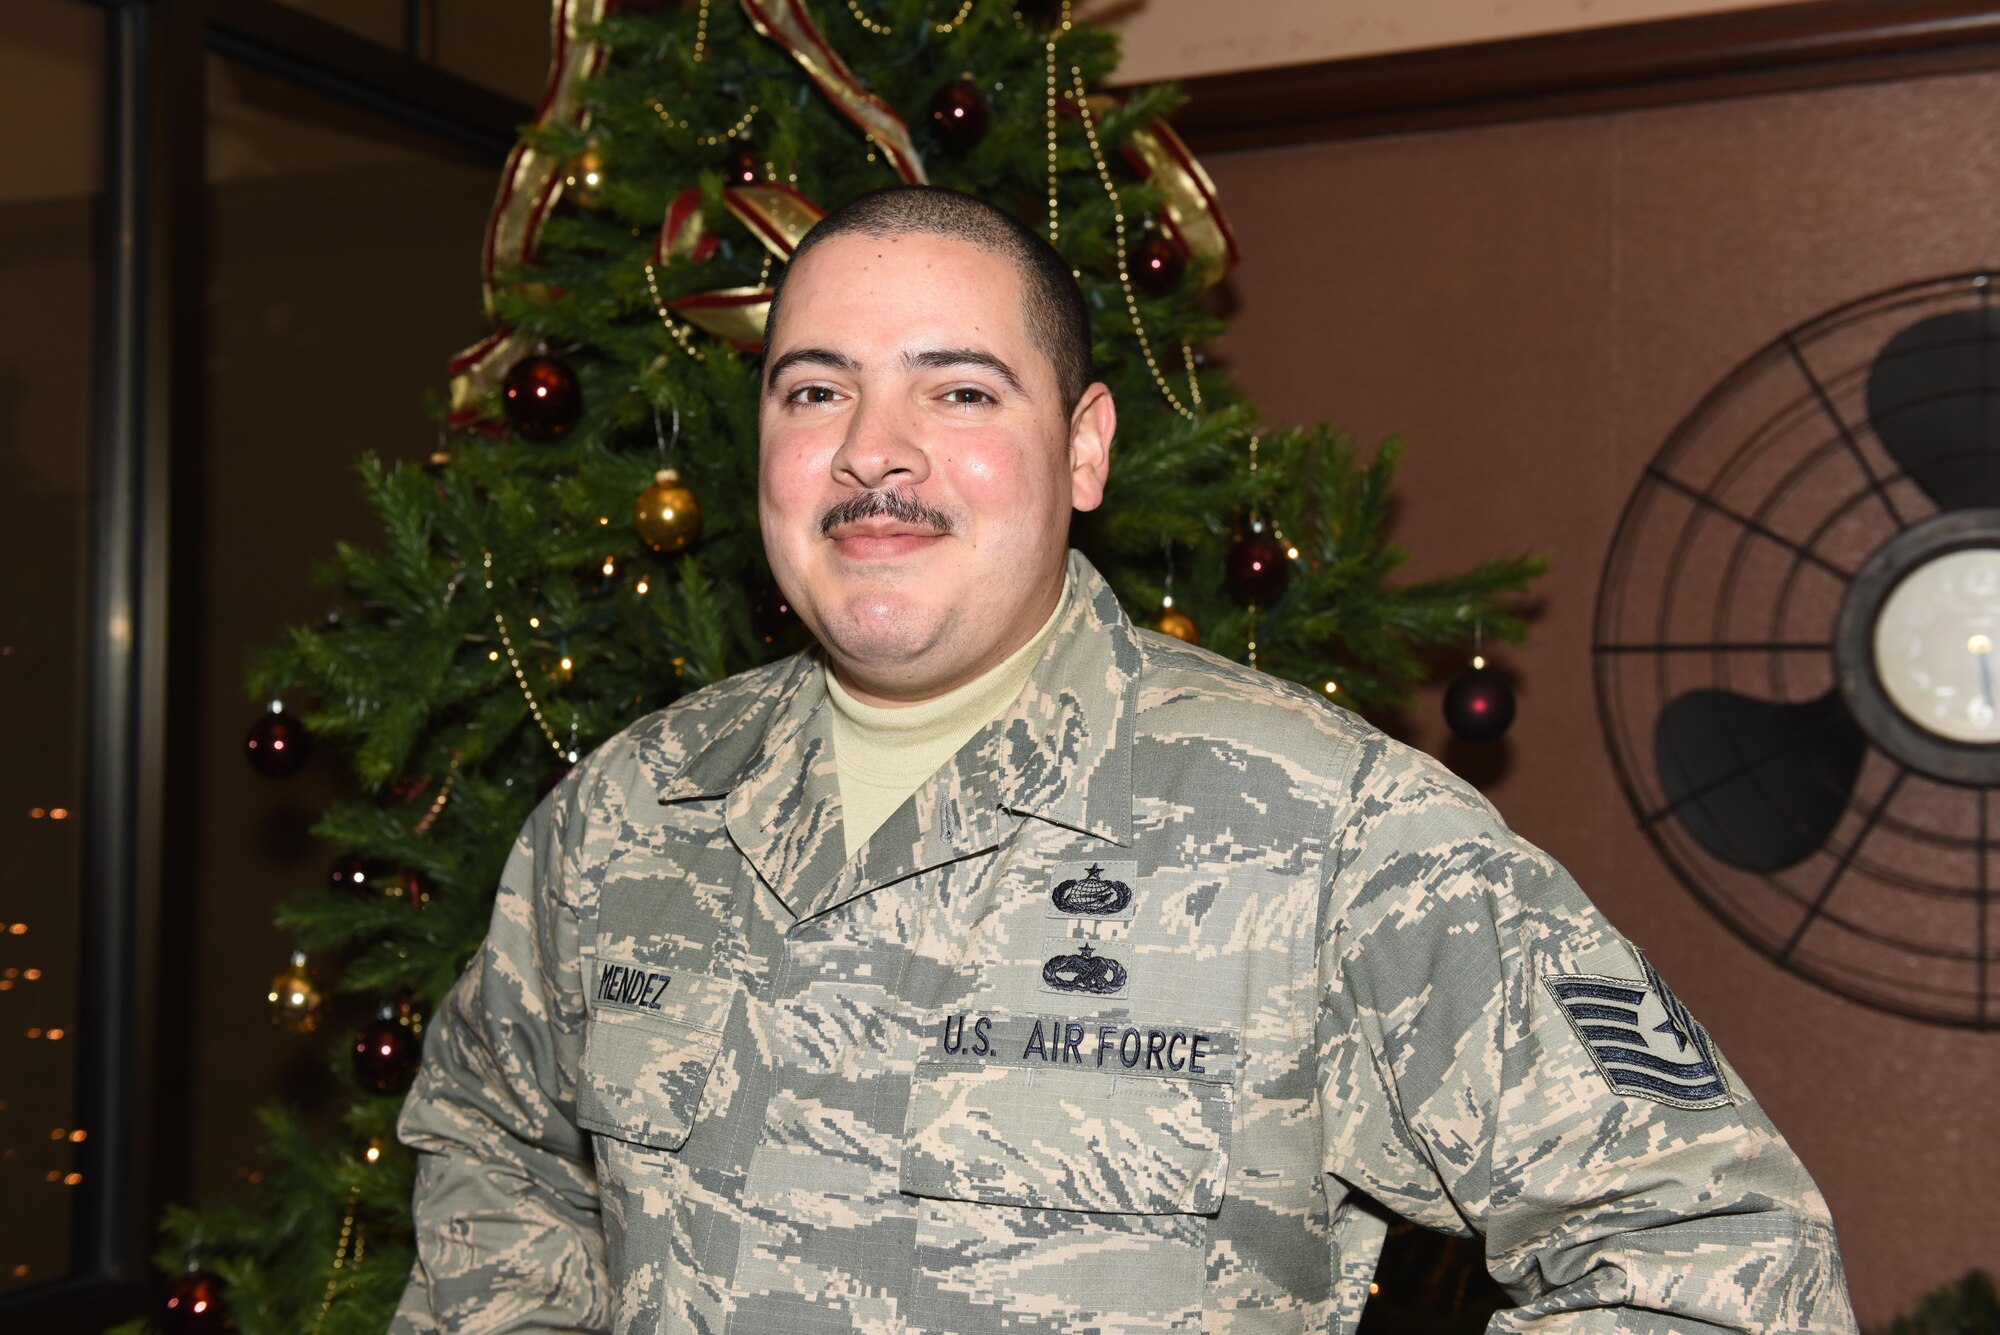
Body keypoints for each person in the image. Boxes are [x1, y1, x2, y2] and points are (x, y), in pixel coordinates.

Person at [391, 185, 1855, 1333]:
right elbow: (488, 1140)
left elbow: (1717, 1247)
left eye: (959, 391)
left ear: (1083, 449)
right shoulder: (631, 817)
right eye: (813, 390)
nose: (873, 453)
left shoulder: (1326, 831)